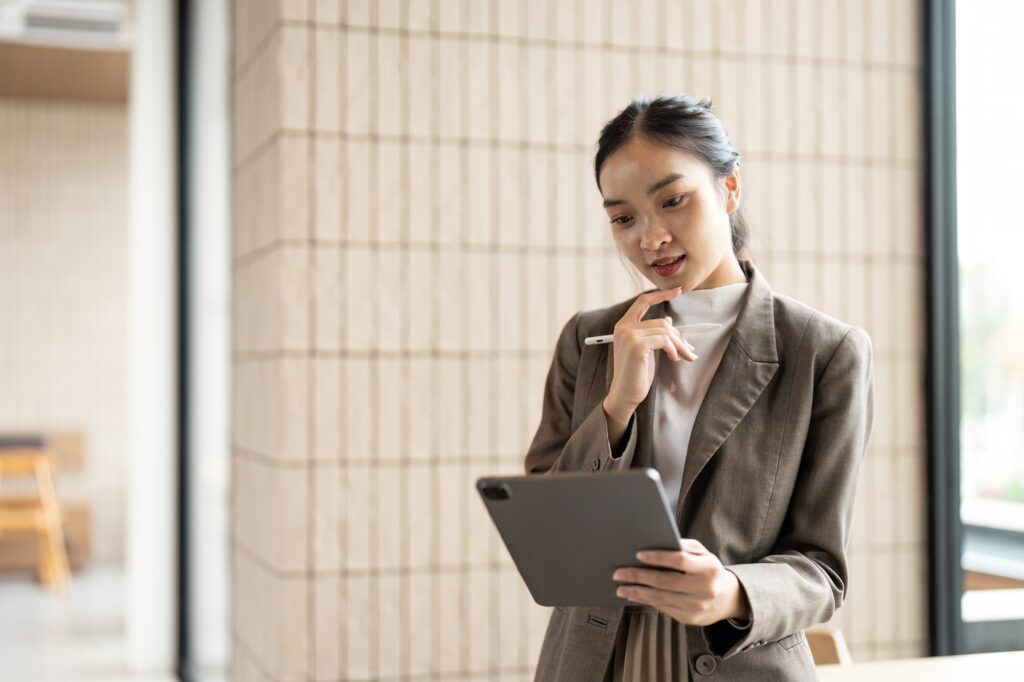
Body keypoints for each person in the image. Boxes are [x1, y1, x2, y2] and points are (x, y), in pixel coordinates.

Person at [523, 94, 874, 681]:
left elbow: (823, 572)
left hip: (741, 662)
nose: (651, 236)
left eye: (672, 201)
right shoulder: (589, 341)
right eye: (623, 217)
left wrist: (734, 591)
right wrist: (618, 405)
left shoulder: (823, 352)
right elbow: (545, 530)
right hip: (592, 664)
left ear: (729, 189)